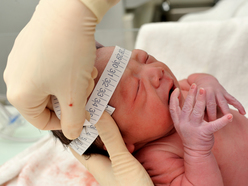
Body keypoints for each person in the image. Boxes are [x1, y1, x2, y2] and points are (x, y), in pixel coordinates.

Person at [53, 46, 248, 185]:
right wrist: (196, 150)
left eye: (145, 59)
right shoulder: (157, 157)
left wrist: (208, 84)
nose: (156, 72)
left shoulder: (179, 91)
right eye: (138, 89)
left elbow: (194, 78)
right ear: (117, 140)